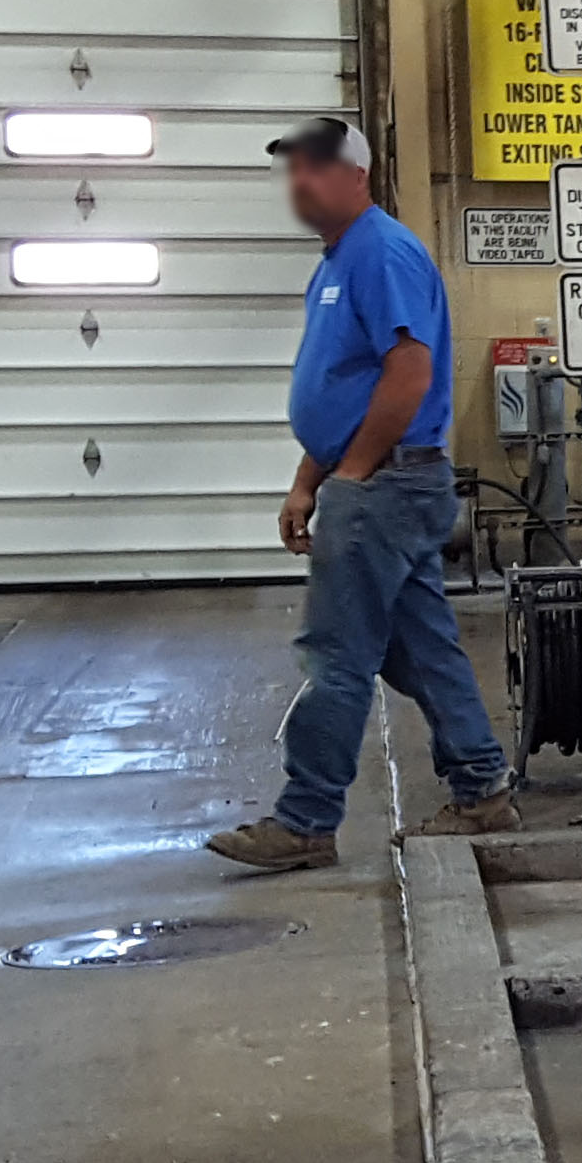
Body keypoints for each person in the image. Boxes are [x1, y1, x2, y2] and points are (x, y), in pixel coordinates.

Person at [207, 116, 519, 871]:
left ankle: (307, 819)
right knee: (420, 649)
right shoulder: (339, 261)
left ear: (358, 176)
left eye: (317, 166)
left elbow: (407, 373)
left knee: (335, 652)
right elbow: (338, 383)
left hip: (385, 483)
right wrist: (306, 478)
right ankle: (481, 788)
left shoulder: (380, 251)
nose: (301, 181)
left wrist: (348, 475)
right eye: (292, 169)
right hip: (373, 479)